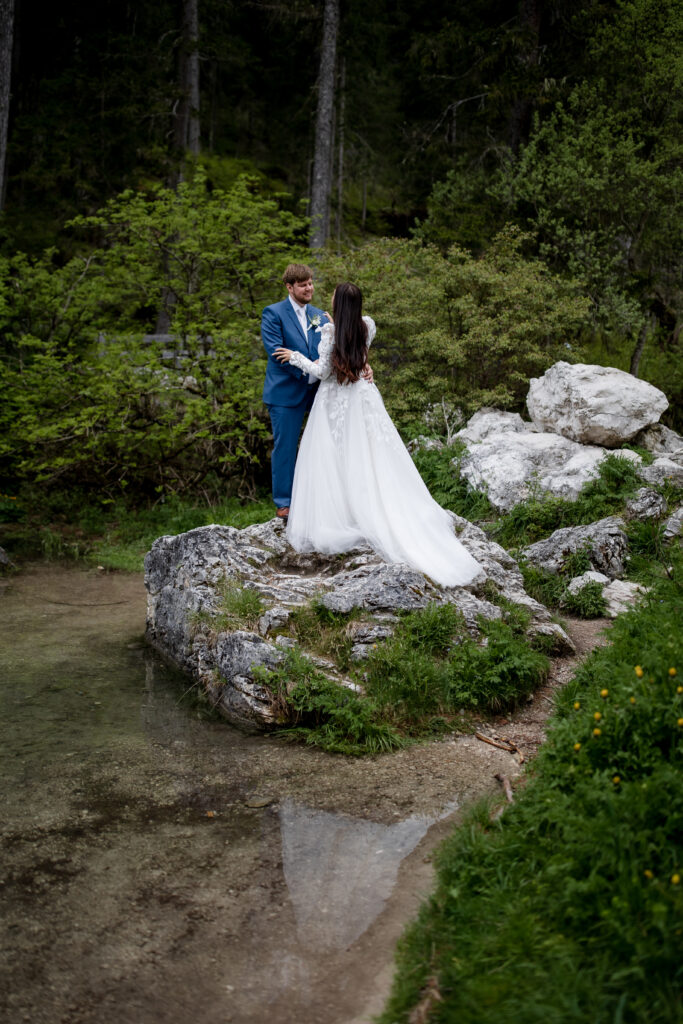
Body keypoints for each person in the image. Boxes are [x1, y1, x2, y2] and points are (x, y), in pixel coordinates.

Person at [274, 282, 482, 588]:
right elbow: (358, 358)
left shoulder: (330, 332)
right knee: (370, 453)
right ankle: (371, 501)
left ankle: (345, 511)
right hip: (362, 396)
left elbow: (321, 372)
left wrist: (293, 356)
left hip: (334, 400)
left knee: (335, 456)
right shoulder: (367, 326)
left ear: (338, 304)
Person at [261, 264, 331, 519]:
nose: (309, 288)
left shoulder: (320, 317)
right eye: (303, 285)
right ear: (289, 287)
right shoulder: (273, 313)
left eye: (311, 283)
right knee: (286, 447)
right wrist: (308, 371)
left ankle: (321, 499)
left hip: (319, 393)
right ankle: (284, 503)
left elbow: (329, 350)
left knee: (323, 445)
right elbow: (276, 352)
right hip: (285, 393)